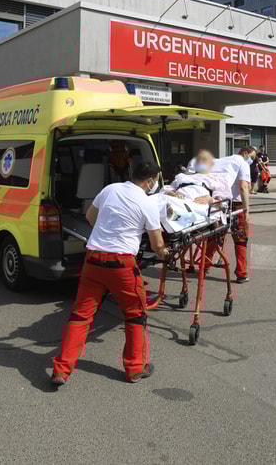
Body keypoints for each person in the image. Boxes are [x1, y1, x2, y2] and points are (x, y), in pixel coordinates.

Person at [52, 161, 168, 386]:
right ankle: (135, 368)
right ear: (151, 181)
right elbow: (156, 244)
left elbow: (90, 216)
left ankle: (61, 370)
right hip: (121, 265)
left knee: (80, 316)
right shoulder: (147, 203)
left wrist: (108, 229)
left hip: (93, 259)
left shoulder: (110, 189)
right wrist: (164, 251)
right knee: (135, 315)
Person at [211, 146, 257, 283]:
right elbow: (243, 187)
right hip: (236, 204)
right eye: (252, 157)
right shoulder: (242, 163)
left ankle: (205, 264)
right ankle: (242, 273)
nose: (252, 160)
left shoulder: (222, 161)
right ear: (245, 153)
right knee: (241, 239)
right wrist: (246, 210)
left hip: (219, 203)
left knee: (214, 235)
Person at [163, 149, 232, 204]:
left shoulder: (216, 179)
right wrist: (171, 193)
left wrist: (210, 199)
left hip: (196, 202)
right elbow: (166, 189)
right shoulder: (183, 177)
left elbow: (222, 201)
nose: (201, 162)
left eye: (204, 160)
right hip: (176, 198)